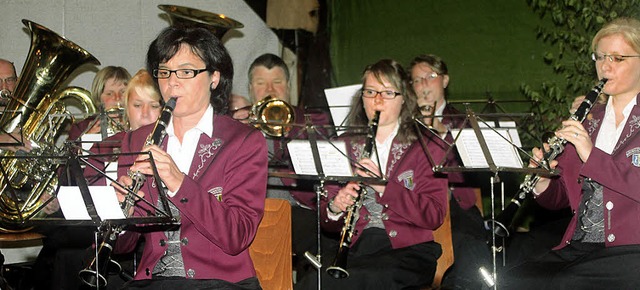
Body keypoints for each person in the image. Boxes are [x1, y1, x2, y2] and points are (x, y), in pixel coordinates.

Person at [112, 24, 267, 289]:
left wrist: (179, 182)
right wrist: (119, 211)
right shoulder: (137, 140)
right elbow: (122, 248)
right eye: (164, 72)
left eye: (186, 72)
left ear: (214, 78)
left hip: (220, 283)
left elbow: (237, 236)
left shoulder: (243, 141)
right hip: (153, 281)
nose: (172, 82)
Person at [500, 17, 640, 289]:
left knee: (566, 283)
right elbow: (563, 198)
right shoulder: (588, 120)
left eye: (617, 58)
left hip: (631, 247)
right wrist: (542, 181)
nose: (605, 66)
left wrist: (591, 154)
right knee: (513, 280)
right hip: (581, 244)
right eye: (600, 57)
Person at [296, 59, 449, 289]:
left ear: (404, 98)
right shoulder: (343, 144)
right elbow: (328, 223)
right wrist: (335, 208)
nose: (377, 100)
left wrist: (384, 187)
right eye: (370, 92)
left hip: (406, 251)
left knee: (364, 280)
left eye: (387, 92)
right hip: (355, 248)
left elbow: (434, 215)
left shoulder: (427, 146)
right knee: (313, 282)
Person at [409, 54, 492, 288]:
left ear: (445, 80)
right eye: (416, 80)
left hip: (455, 204)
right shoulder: (403, 122)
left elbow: (471, 169)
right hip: (412, 202)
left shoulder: (464, 120)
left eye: (430, 77)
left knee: (469, 248)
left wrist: (442, 133)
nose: (423, 85)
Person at [67, 66, 131, 142]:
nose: (117, 97)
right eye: (109, 93)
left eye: (123, 92)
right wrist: (87, 139)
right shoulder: (80, 129)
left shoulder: (140, 123)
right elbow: (71, 153)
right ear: (99, 98)